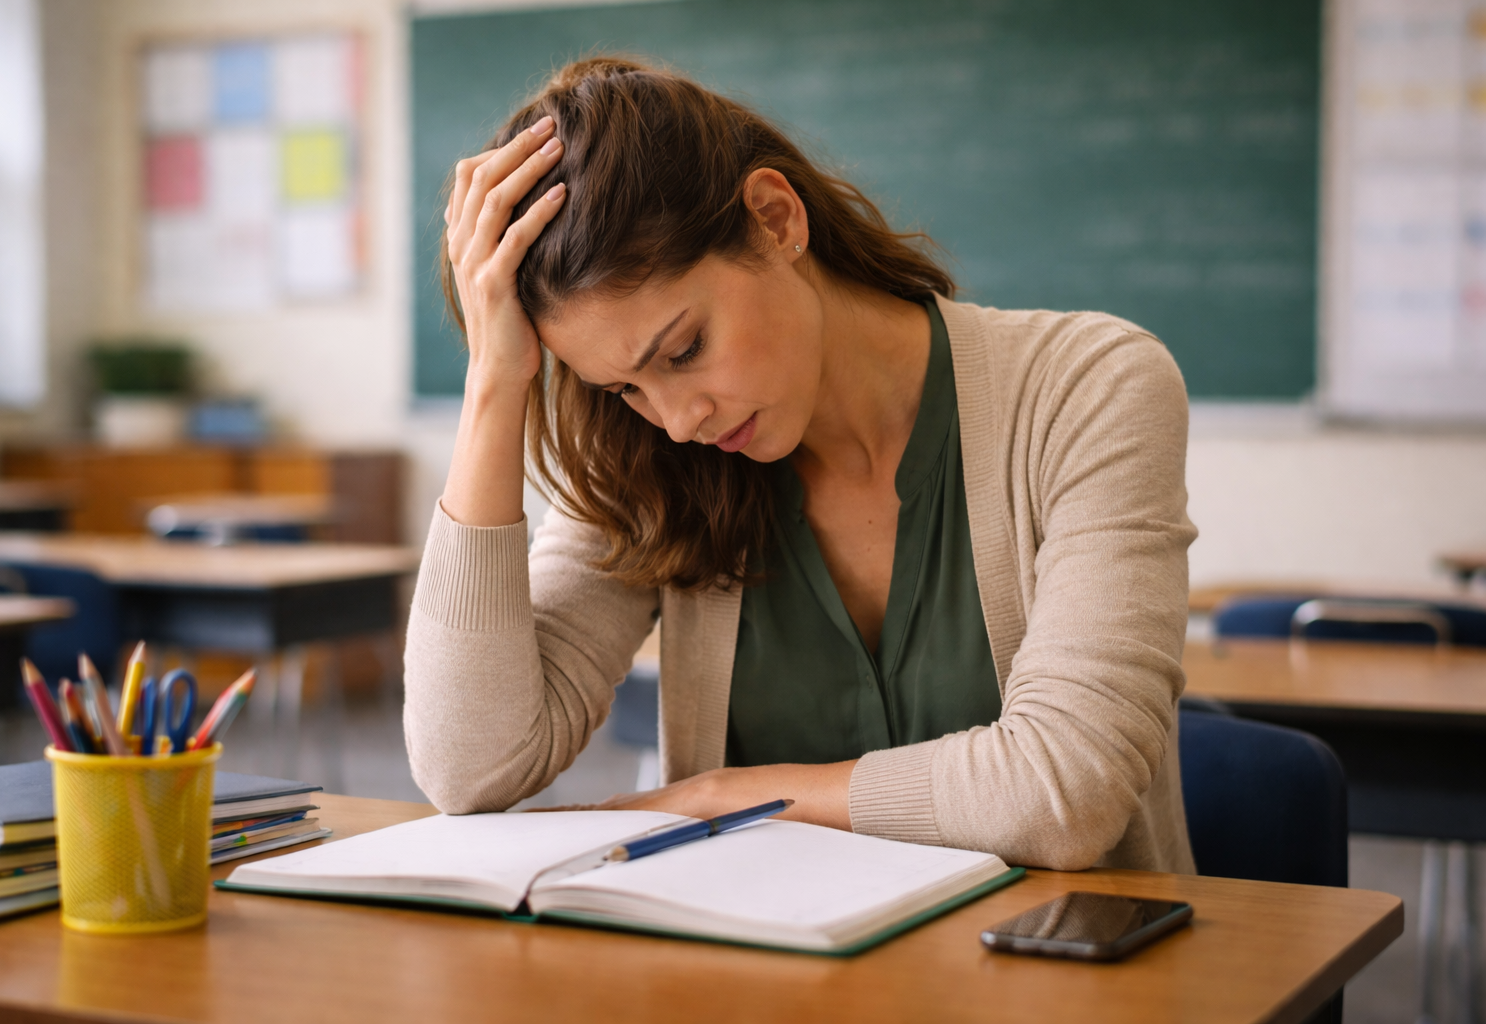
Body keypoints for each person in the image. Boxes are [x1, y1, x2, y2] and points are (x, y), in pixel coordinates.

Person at [404, 57, 1197, 872]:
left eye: (684, 349)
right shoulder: (645, 458)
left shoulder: (1089, 388)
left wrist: (726, 796)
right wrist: (495, 383)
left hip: (1051, 952)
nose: (677, 420)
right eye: (624, 388)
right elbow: (471, 767)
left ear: (775, 218)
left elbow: (1065, 794)